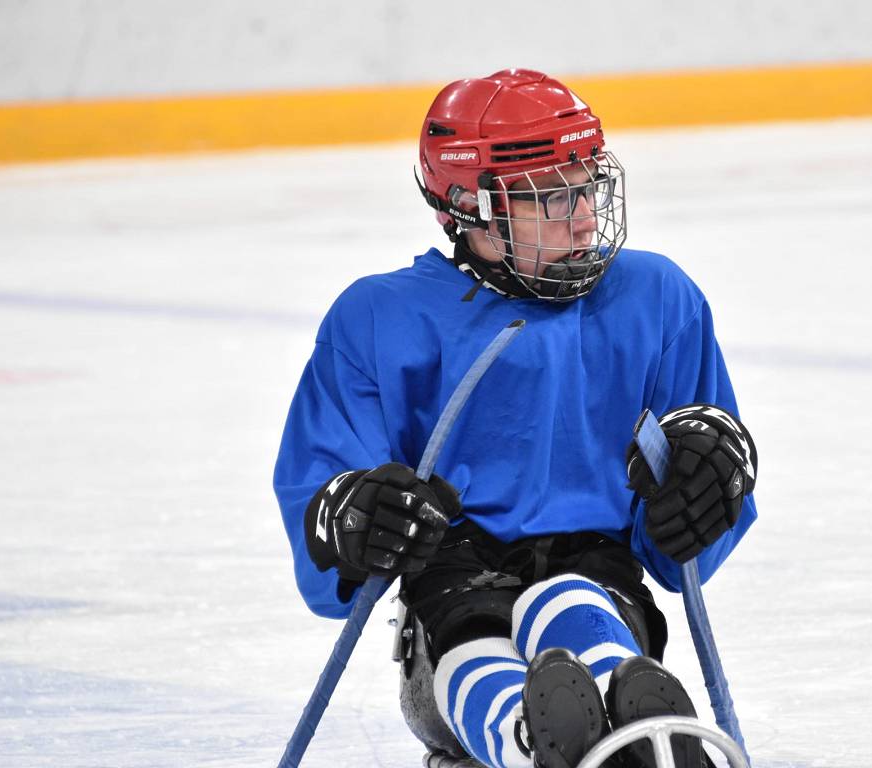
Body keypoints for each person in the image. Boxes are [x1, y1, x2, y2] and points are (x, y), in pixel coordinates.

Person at [274, 69, 758, 768]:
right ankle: (536, 739)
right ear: (470, 208)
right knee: (472, 634)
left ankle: (608, 716)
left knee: (577, 596)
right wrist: (355, 517)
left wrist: (707, 484)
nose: (585, 218)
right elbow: (322, 521)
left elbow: (683, 552)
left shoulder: (658, 300)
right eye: (553, 197)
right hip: (448, 604)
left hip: (604, 587)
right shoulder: (378, 318)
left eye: (589, 187)